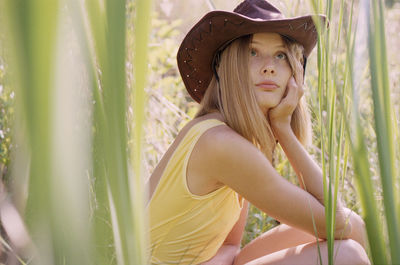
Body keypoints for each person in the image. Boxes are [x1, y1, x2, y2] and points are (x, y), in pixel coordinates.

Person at [147, 0, 370, 264]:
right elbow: (336, 225)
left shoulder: (235, 137)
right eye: (253, 52)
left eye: (280, 55)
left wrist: (282, 129)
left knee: (355, 225)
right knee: (346, 254)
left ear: (295, 72)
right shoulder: (221, 144)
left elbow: (229, 246)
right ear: (224, 66)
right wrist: (284, 130)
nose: (269, 67)